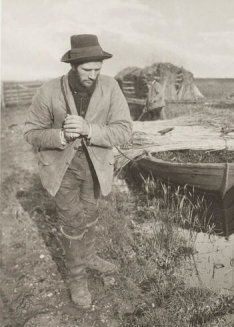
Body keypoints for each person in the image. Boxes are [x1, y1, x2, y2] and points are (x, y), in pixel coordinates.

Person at [24, 34, 133, 309]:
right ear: (73, 66)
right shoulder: (49, 91)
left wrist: (90, 130)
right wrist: (59, 136)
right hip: (63, 168)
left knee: (91, 213)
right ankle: (77, 279)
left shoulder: (110, 87)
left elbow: (124, 130)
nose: (93, 75)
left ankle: (90, 256)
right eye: (87, 70)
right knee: (72, 222)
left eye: (98, 69)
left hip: (96, 167)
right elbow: (30, 132)